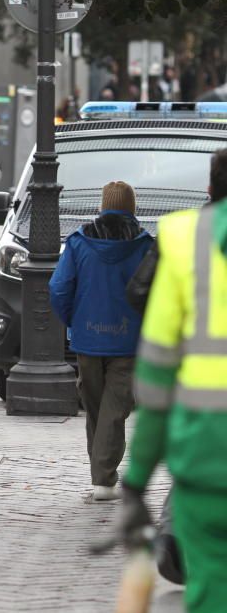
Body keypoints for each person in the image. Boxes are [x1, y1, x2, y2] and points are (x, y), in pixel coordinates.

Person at [117, 189, 227, 613]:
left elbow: (156, 382)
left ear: (211, 192)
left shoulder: (185, 239)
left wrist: (136, 481)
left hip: (206, 452)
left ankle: (175, 536)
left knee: (210, 586)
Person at [48, 182, 154, 501]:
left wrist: (74, 321)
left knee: (98, 407)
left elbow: (59, 288)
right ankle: (103, 477)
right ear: (132, 208)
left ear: (101, 206)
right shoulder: (145, 245)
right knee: (114, 407)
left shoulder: (79, 242)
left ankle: (102, 477)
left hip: (88, 339)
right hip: (128, 341)